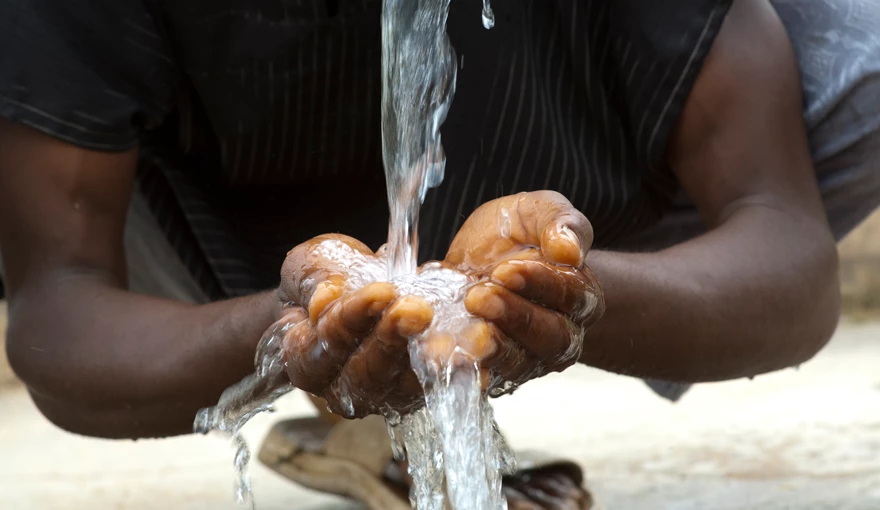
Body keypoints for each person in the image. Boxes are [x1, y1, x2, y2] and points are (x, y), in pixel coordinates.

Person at [1, 0, 878, 508]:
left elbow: (786, 253)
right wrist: (279, 333)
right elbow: (62, 310)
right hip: (206, 256)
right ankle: (376, 395)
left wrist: (575, 294)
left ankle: (427, 395)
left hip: (596, 208)